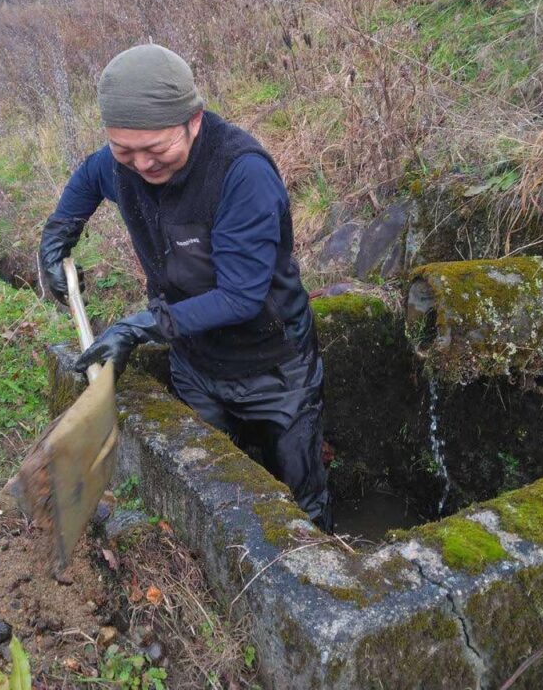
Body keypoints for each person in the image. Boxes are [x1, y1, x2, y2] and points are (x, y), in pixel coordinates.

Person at [39, 44, 332, 531]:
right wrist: (57, 237)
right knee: (215, 488)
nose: (141, 165)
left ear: (192, 121)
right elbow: (89, 179)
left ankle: (322, 561)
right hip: (194, 361)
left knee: (300, 493)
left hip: (273, 363)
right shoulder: (120, 165)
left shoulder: (241, 173)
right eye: (124, 150)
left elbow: (241, 296)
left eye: (155, 150)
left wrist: (139, 327)